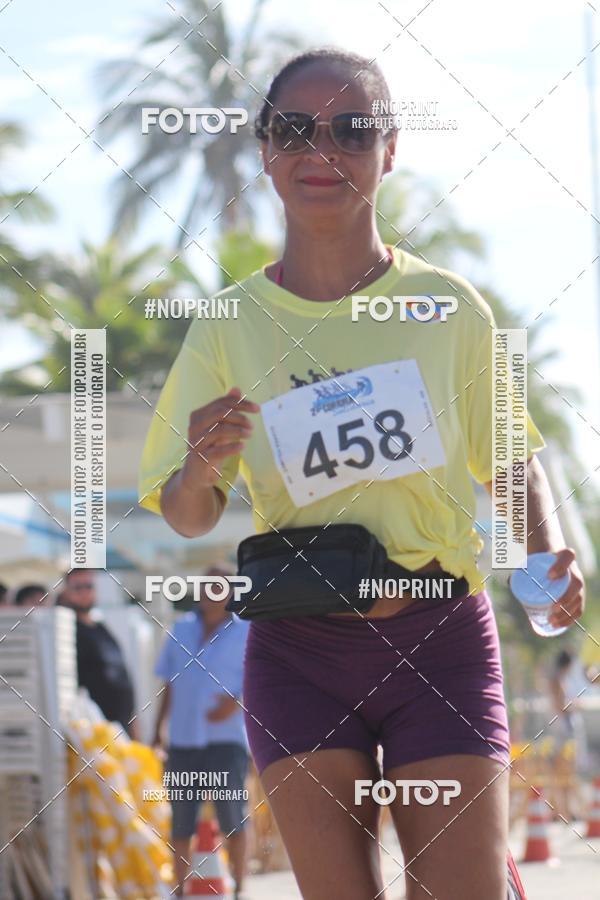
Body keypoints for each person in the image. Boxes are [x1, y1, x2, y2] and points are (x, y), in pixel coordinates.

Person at [138, 47, 585, 900]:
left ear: (390, 150)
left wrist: (547, 551)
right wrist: (197, 466)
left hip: (438, 639)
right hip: (298, 649)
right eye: (294, 129)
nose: (322, 150)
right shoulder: (229, 324)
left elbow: (510, 455)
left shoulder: (448, 307)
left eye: (351, 129)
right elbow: (189, 514)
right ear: (265, 151)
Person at [152, 568, 250, 899]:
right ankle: (180, 890)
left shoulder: (247, 631)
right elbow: (168, 683)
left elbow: (260, 679)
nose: (211, 593)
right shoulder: (180, 628)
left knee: (232, 815)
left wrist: (236, 703)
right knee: (181, 819)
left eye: (219, 587)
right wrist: (158, 730)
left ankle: (239, 889)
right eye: (207, 587)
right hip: (183, 740)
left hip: (226, 740)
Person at [64, 568, 138, 739]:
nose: (84, 592)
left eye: (88, 586)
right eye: (78, 587)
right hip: (93, 734)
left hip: (121, 729)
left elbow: (122, 676)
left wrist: (134, 725)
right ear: (67, 592)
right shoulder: (66, 631)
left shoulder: (101, 628)